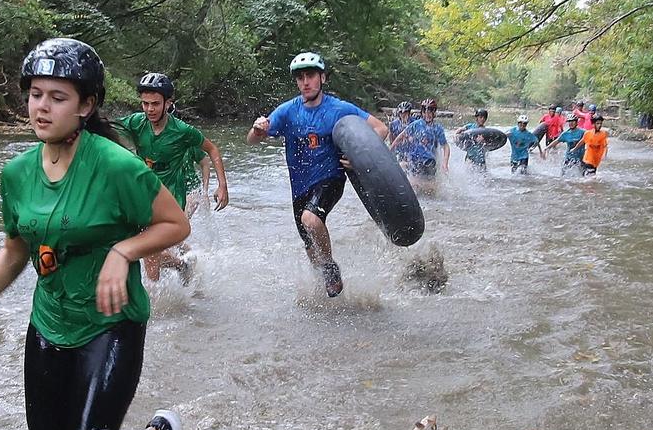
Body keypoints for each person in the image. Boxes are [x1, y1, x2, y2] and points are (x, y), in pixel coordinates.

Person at [0, 37, 196, 430]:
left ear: (86, 105)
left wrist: (124, 251)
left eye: (57, 97)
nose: (42, 107)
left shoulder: (116, 166)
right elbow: (16, 251)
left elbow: (176, 225)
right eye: (35, 94)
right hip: (49, 325)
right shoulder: (17, 174)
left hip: (111, 325)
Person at [247, 51, 391, 298]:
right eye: (301, 77)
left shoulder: (339, 109)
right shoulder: (287, 111)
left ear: (322, 77)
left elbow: (381, 129)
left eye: (311, 76)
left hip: (331, 177)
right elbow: (251, 141)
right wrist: (257, 128)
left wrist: (360, 155)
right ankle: (326, 294)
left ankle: (331, 267)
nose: (306, 82)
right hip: (299, 185)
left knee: (311, 220)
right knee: (310, 247)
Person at [119, 71, 228, 283]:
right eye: (145, 104)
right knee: (143, 250)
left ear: (168, 103)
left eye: (155, 104)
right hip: (143, 196)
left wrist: (221, 186)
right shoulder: (136, 123)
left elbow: (212, 151)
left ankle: (154, 308)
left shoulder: (182, 131)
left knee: (148, 253)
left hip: (170, 200)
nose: (149, 109)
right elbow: (107, 130)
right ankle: (181, 266)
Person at [391, 99, 449, 184]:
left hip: (429, 161)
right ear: (421, 113)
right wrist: (390, 150)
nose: (427, 115)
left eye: (429, 113)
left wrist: (445, 163)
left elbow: (446, 146)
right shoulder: (416, 124)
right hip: (415, 160)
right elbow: (400, 137)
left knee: (429, 187)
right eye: (425, 112)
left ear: (434, 113)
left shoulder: (437, 128)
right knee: (414, 183)